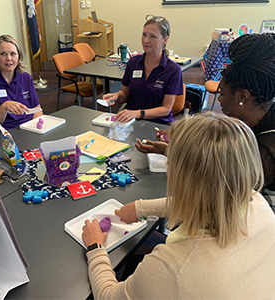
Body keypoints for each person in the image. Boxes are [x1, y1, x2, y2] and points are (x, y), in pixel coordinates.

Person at [82, 113, 275, 299]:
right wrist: (140, 208)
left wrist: (95, 247)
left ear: (181, 177)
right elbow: (206, 201)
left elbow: (108, 296)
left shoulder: (172, 267)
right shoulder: (258, 202)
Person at [136, 33, 275, 192]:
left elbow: (219, 185)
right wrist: (182, 139)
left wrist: (173, 152)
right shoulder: (256, 118)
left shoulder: (266, 151)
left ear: (242, 96)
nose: (220, 100)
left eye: (221, 93)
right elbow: (222, 151)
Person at [103, 15, 183, 125]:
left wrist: (137, 113)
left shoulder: (173, 70)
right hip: (131, 122)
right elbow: (125, 93)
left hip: (157, 124)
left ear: (165, 39)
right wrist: (117, 96)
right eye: (144, 35)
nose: (146, 40)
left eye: (152, 36)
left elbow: (165, 109)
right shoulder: (133, 62)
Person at [0, 35, 42, 129]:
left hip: (28, 128)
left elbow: (37, 110)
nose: (9, 58)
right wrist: (4, 107)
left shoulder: (26, 77)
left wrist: (37, 129)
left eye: (13, 54)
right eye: (3, 54)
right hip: (4, 132)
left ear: (19, 56)